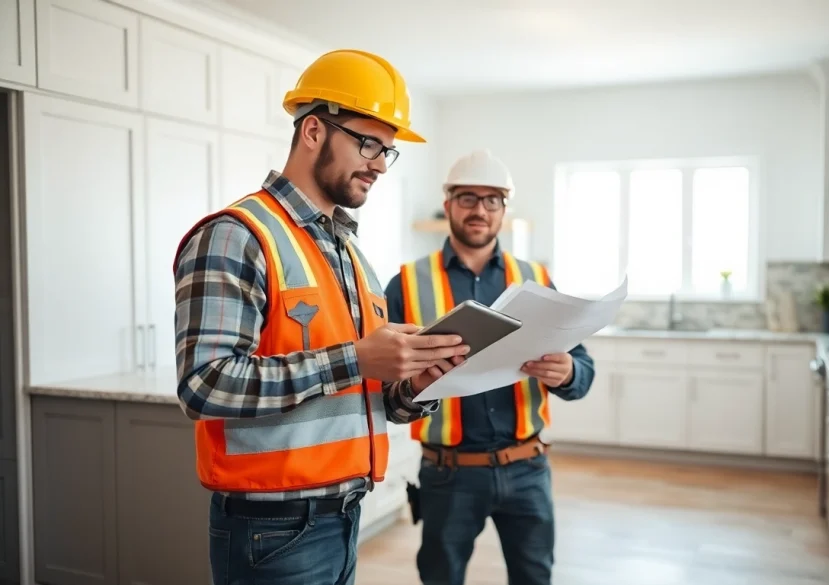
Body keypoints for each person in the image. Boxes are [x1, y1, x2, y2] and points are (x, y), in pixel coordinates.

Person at [172, 49, 469, 585]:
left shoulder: (350, 253)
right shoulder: (238, 234)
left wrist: (414, 387)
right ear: (313, 131)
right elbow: (204, 385)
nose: (380, 163)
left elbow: (357, 396)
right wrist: (356, 358)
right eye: (370, 143)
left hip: (341, 514)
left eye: (388, 151)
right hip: (272, 527)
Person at [383, 149, 596, 585]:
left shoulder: (536, 279)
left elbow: (584, 369)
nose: (479, 210)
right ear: (448, 206)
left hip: (527, 468)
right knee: (441, 577)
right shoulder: (404, 283)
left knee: (534, 577)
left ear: (503, 210)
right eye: (467, 198)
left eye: (491, 200)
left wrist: (568, 371)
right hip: (447, 474)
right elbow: (385, 383)